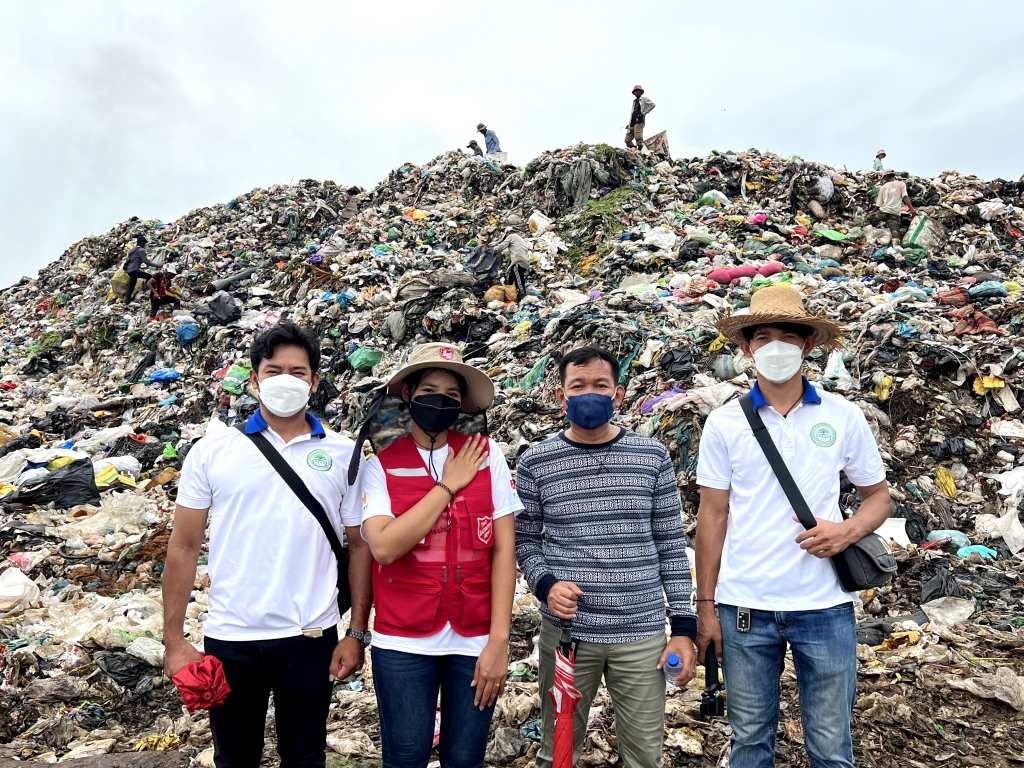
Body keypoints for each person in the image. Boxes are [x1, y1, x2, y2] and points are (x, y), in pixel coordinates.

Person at [695, 285, 892, 768]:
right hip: (745, 606)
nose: (776, 347)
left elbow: (878, 498)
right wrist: (706, 605)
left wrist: (845, 531)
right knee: (749, 742)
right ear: (746, 348)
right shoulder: (724, 423)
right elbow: (712, 515)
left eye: (788, 336)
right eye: (763, 337)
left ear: (808, 344)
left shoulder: (843, 416)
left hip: (824, 606)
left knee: (830, 746)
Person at [162, 321, 372, 768]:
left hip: (311, 636)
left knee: (305, 757)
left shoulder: (342, 453)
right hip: (232, 638)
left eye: (298, 372)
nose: (285, 380)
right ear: (254, 380)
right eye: (273, 371)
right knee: (235, 758)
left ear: (315, 381)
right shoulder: (213, 451)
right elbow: (183, 546)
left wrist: (355, 633)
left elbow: (360, 546)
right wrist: (174, 640)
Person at [516, 345, 697, 768]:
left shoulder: (651, 457)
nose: (589, 394)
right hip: (568, 635)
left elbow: (671, 545)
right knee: (558, 754)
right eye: (578, 386)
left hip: (641, 634)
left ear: (618, 395)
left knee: (644, 757)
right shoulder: (536, 462)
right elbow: (524, 541)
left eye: (600, 385)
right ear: (561, 396)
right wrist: (546, 586)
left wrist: (683, 628)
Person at [359, 343, 520, 768]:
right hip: (402, 640)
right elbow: (384, 547)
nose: (440, 401)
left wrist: (498, 643)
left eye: (451, 395)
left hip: (474, 637)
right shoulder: (381, 465)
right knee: (406, 757)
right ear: (408, 394)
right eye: (429, 391)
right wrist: (447, 485)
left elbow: (504, 551)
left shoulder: (486, 455)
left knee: (465, 759)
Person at [869, 169, 918, 243]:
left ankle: (869, 238)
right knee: (895, 233)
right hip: (895, 213)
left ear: (886, 176)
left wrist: (872, 211)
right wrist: (911, 209)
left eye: (884, 177)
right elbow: (905, 197)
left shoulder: (883, 187)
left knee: (867, 219)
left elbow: (878, 204)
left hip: (883, 212)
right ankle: (895, 245)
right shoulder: (901, 184)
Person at [491, 227, 530, 298]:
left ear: (508, 233)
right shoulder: (519, 238)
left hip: (519, 262)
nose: (506, 237)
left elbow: (501, 246)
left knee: (519, 281)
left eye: (506, 236)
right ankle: (510, 293)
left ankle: (522, 295)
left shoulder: (511, 236)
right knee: (511, 278)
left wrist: (494, 251)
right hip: (525, 261)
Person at [124, 235, 161, 303]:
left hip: (129, 270)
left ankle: (145, 290)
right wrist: (157, 265)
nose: (145, 245)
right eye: (144, 243)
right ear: (141, 243)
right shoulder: (141, 250)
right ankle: (125, 301)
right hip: (134, 270)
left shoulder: (132, 250)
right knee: (131, 286)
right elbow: (147, 262)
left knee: (148, 276)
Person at [626, 84, 655, 151]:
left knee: (638, 137)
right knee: (627, 140)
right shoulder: (634, 102)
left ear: (641, 92)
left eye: (638, 91)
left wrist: (644, 112)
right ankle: (634, 149)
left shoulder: (644, 99)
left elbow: (652, 105)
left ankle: (641, 150)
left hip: (639, 121)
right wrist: (629, 124)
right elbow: (633, 113)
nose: (636, 92)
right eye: (635, 91)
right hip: (632, 122)